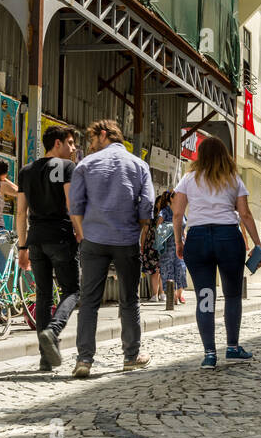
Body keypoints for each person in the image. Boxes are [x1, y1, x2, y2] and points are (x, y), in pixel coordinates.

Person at [68, 119, 155, 377]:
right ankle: (131, 356)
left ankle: (84, 360)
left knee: (89, 301)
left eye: (93, 139)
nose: (91, 145)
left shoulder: (85, 165)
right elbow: (147, 204)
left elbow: (75, 205)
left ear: (103, 134)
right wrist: (140, 229)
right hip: (126, 240)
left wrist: (83, 233)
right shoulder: (139, 165)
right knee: (129, 299)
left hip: (93, 239)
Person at [171, 136, 261, 369]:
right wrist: (257, 243)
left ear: (200, 156)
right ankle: (232, 347)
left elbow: (177, 214)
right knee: (232, 295)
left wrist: (179, 241)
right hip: (228, 237)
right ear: (224, 155)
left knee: (205, 296)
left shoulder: (188, 179)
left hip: (197, 238)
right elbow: (245, 214)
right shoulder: (233, 179)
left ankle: (209, 355)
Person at [17, 125, 80, 370]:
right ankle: (53, 331)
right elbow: (71, 204)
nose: (73, 148)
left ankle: (46, 359)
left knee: (43, 296)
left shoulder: (26, 171)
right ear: (57, 143)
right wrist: (80, 233)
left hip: (36, 239)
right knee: (73, 291)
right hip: (60, 236)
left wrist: (22, 247)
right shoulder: (67, 167)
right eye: (70, 143)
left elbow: (21, 212)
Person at [153, 191, 187, 303]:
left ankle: (179, 294)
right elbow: (158, 227)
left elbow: (183, 228)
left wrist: (186, 239)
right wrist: (172, 226)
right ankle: (172, 296)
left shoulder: (181, 211)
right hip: (168, 247)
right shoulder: (164, 212)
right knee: (168, 271)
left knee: (181, 269)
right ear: (171, 199)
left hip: (180, 246)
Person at [141, 212, 163, 301]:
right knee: (160, 270)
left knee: (155, 271)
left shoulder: (149, 218)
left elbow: (144, 233)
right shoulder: (166, 215)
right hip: (162, 246)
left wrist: (142, 247)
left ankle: (155, 295)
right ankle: (161, 294)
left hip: (152, 246)